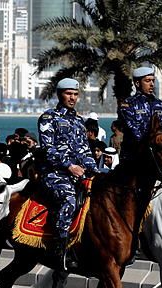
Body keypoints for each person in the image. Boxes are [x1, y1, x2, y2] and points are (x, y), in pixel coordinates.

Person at [38, 77, 98, 270]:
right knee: (69, 199)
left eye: (75, 94)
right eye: (68, 94)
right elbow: (47, 149)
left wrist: (96, 172)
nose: (72, 98)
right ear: (59, 95)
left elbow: (85, 151)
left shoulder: (80, 122)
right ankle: (60, 250)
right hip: (55, 174)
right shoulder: (49, 118)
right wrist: (69, 166)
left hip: (78, 174)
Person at [117, 66, 162, 161]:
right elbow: (134, 132)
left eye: (153, 81)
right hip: (133, 157)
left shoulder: (160, 104)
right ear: (137, 83)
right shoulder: (129, 104)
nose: (152, 84)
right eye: (147, 81)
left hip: (157, 157)